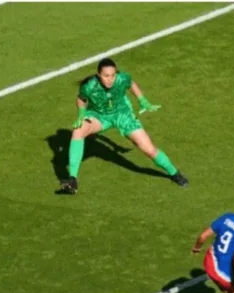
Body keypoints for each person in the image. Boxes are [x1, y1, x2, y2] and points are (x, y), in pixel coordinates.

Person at [60, 57, 188, 194]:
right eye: (106, 76)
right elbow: (81, 99)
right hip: (99, 116)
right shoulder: (89, 86)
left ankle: (174, 173)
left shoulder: (122, 79)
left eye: (113, 75)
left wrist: (143, 100)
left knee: (149, 150)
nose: (110, 79)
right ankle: (72, 179)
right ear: (99, 75)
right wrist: (81, 114)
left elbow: (131, 84)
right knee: (78, 130)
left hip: (122, 115)